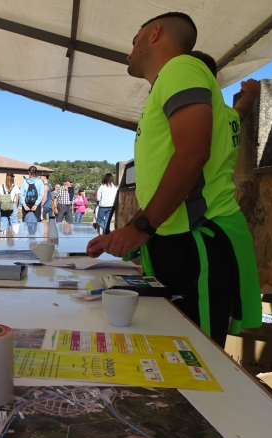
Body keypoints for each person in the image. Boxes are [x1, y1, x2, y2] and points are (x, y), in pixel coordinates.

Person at [87, 12, 261, 347]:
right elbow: (237, 113)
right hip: (177, 236)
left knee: (199, 353)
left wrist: (141, 227)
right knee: (174, 348)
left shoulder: (181, 68)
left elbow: (192, 152)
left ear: (155, 33)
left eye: (134, 40)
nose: (129, 52)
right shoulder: (181, 88)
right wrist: (249, 95)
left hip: (198, 237)